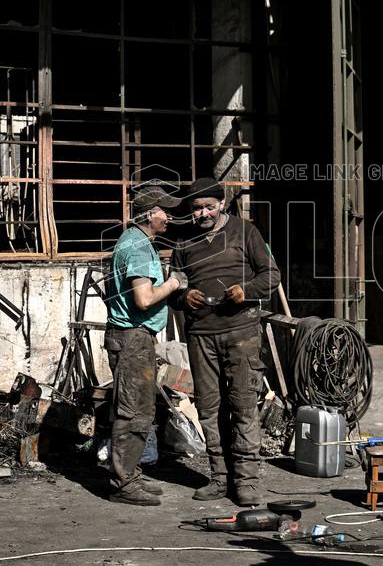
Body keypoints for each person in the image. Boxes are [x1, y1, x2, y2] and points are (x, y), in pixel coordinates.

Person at [170, 177, 281, 506]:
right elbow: (175, 286)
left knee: (243, 406)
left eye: (208, 207)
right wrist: (182, 295)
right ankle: (219, 478)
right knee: (209, 409)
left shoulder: (246, 232)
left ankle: (246, 480)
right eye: (196, 209)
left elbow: (272, 275)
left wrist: (245, 291)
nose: (202, 213)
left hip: (241, 332)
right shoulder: (183, 240)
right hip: (201, 335)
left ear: (222, 204)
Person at [103, 184, 187, 506]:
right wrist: (175, 283)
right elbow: (143, 298)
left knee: (140, 410)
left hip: (134, 338)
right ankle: (123, 483)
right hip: (133, 338)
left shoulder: (137, 242)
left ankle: (130, 474)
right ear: (150, 213)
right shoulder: (137, 246)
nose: (170, 217)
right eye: (165, 211)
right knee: (132, 412)